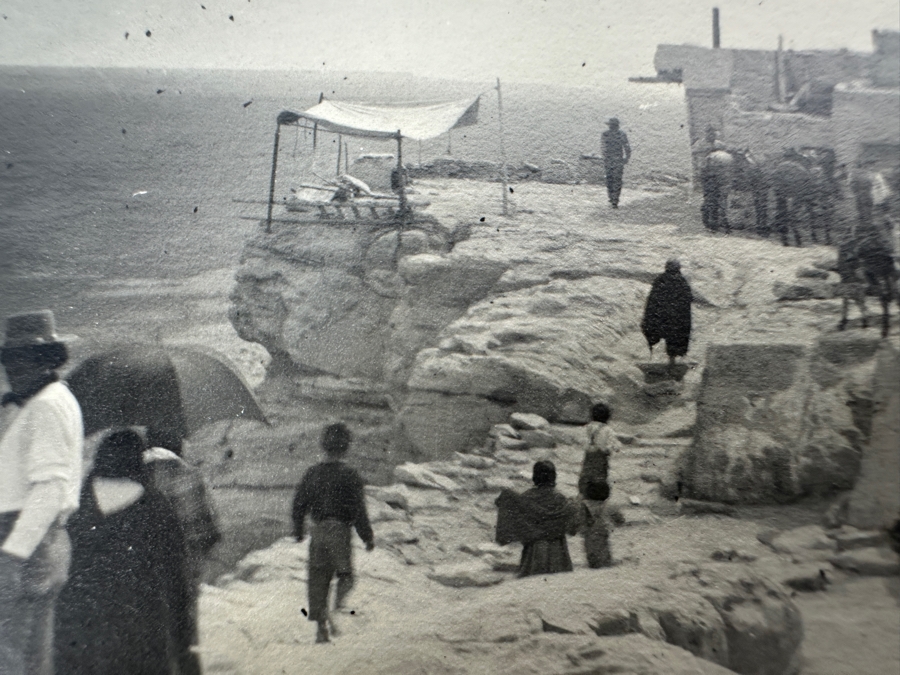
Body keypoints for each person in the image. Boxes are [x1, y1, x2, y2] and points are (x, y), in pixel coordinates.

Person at [54, 429, 190, 675]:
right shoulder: (157, 506)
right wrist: (183, 648)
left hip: (80, 624)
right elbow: (176, 579)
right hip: (137, 627)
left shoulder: (76, 502)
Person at [0, 310, 83, 675]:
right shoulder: (50, 399)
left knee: (12, 653)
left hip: (26, 541)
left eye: (24, 359)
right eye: (9, 359)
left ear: (46, 360)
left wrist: (13, 554)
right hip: (43, 541)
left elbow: (49, 488)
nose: (13, 368)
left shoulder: (45, 406)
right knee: (32, 653)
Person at [144, 426, 221, 675]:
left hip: (144, 571)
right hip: (184, 569)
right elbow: (209, 530)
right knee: (184, 635)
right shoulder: (189, 475)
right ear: (179, 444)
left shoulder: (137, 471)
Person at [292, 423, 375, 644]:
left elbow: (298, 504)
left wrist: (298, 531)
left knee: (318, 580)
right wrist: (367, 537)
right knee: (346, 576)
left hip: (318, 532)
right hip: (340, 531)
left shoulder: (312, 473)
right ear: (346, 447)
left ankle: (321, 629)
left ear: (323, 446)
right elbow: (359, 510)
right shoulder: (351, 475)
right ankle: (337, 608)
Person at [495, 460, 576, 578]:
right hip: (558, 550)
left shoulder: (528, 496)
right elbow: (570, 521)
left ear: (535, 476)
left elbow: (516, 510)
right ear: (553, 477)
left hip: (535, 549)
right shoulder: (559, 498)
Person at [641, 259, 693, 367]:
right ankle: (672, 361)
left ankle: (660, 360)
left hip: (663, 317)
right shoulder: (682, 282)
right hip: (676, 319)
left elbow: (652, 301)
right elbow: (688, 300)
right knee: (674, 340)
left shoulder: (660, 280)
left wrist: (649, 318)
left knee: (661, 336)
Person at [575, 481, 624, 569]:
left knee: (589, 548)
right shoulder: (609, 505)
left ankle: (593, 563)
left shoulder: (584, 505)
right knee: (603, 548)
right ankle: (604, 563)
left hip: (588, 532)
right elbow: (619, 518)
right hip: (602, 531)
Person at [577, 403, 622, 498]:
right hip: (601, 458)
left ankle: (583, 495)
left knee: (585, 476)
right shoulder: (608, 430)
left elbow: (580, 440)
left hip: (588, 457)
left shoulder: (587, 427)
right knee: (599, 478)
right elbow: (616, 446)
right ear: (607, 416)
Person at [601, 117, 631, 209]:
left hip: (614, 160)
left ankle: (614, 199)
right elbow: (603, 147)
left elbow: (627, 147)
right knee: (611, 179)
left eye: (613, 125)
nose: (612, 127)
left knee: (615, 180)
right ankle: (613, 199)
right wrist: (626, 157)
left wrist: (627, 157)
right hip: (613, 160)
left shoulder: (620, 134)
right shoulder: (606, 134)